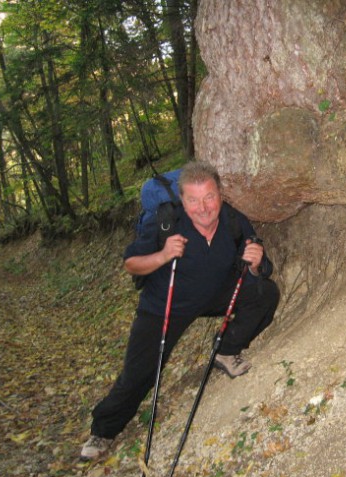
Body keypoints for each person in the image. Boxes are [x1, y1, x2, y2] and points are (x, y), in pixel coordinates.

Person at [80, 162, 280, 461]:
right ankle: (104, 430)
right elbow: (131, 263)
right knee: (140, 375)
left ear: (220, 195)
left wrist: (255, 263)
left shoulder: (233, 221)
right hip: (165, 307)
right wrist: (163, 254)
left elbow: (259, 267)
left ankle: (225, 350)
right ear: (182, 199)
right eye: (193, 200)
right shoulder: (166, 222)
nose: (203, 208)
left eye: (209, 197)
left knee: (266, 294)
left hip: (213, 295)